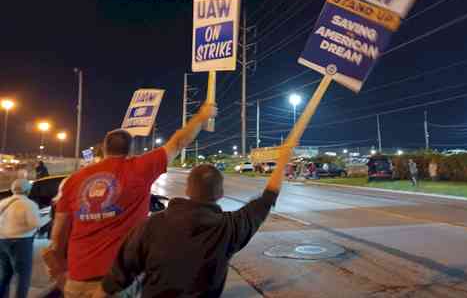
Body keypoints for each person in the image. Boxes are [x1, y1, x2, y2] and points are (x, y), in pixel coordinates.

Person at [47, 103, 217, 298]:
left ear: (103, 148)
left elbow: (58, 232)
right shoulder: (139, 169)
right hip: (117, 281)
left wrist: (61, 270)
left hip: (76, 279)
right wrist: (202, 117)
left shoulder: (74, 180)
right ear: (130, 149)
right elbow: (178, 142)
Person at [93, 146, 291, 298]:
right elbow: (264, 202)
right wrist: (282, 161)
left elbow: (118, 275)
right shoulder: (228, 228)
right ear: (220, 194)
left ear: (187, 191)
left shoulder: (152, 225)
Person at [0, 179, 41, 298]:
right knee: (22, 276)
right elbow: (35, 224)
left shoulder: (3, 202)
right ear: (28, 190)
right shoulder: (29, 204)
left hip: (2, 241)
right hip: (21, 242)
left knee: (4, 274)